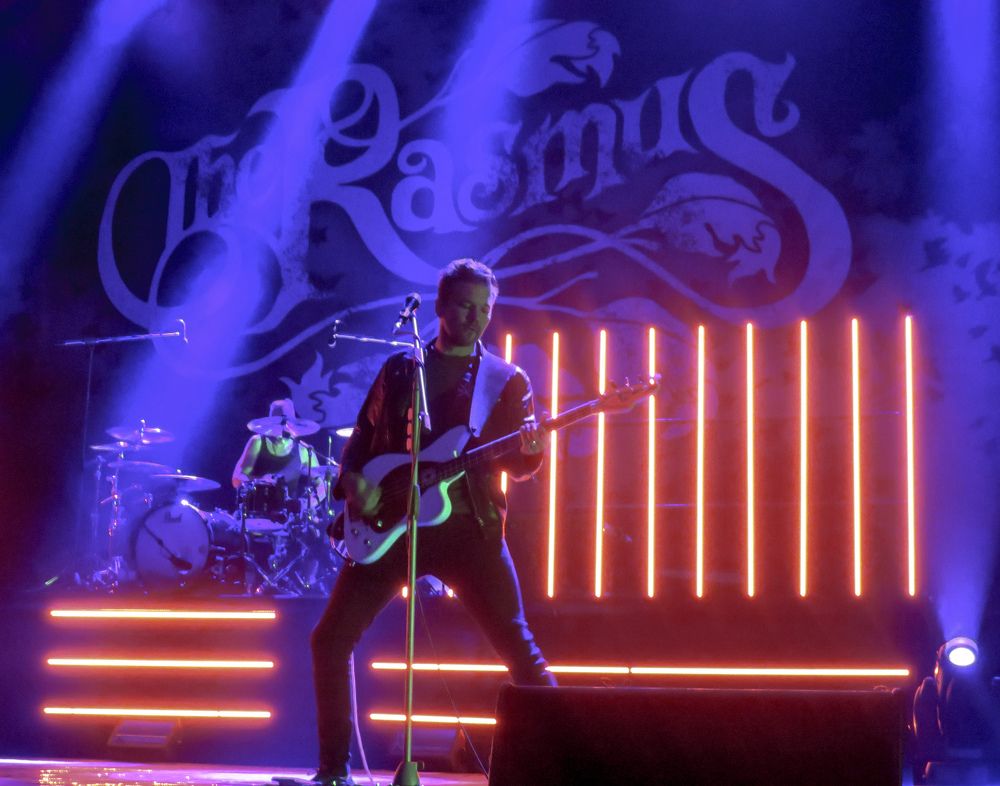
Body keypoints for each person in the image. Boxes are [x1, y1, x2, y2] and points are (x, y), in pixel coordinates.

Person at [309, 259, 556, 786]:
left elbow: (519, 461)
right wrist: (354, 483)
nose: (475, 318)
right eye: (466, 306)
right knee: (329, 640)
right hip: (394, 525)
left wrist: (532, 453)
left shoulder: (507, 380)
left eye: (485, 309)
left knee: (518, 647)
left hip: (471, 531)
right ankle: (333, 772)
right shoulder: (401, 370)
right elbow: (359, 440)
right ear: (440, 306)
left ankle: (570, 761)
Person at [232, 398, 326, 511]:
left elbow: (322, 487)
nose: (283, 428)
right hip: (257, 513)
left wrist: (304, 504)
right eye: (279, 423)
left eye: (286, 424)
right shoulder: (257, 442)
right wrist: (260, 480)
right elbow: (236, 479)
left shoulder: (304, 450)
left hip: (289, 519)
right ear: (271, 424)